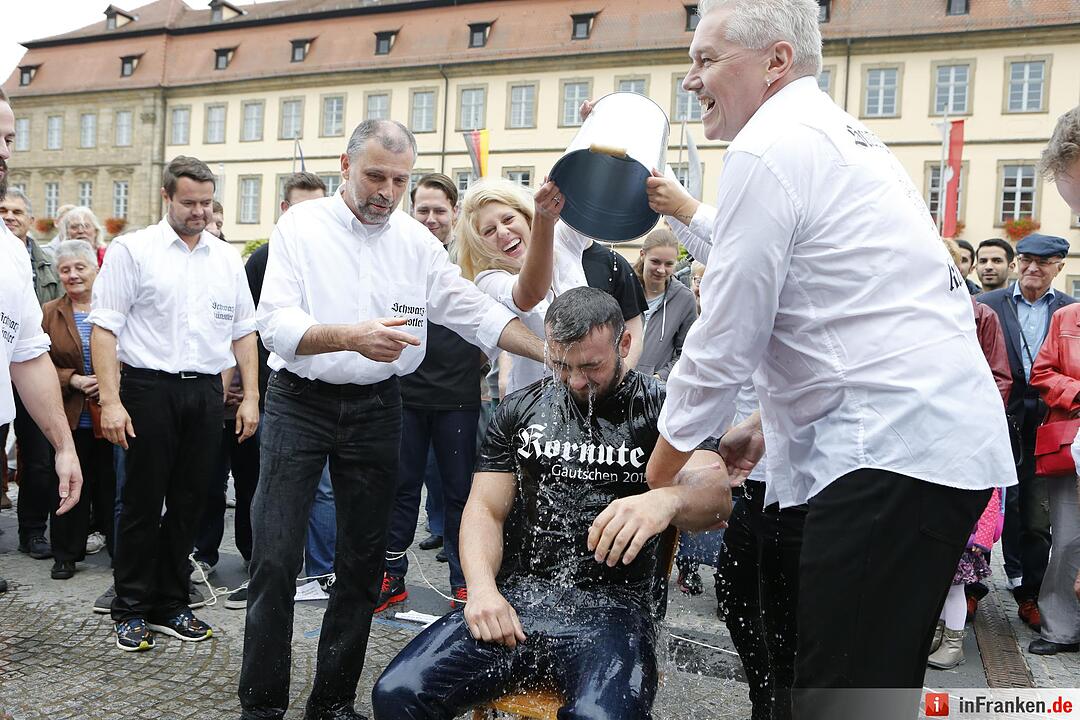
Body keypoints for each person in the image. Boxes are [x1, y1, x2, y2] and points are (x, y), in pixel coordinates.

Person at [646, 4, 1013, 720]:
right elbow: (821, 292)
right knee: (849, 680)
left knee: (841, 694)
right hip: (909, 448)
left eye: (706, 59)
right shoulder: (826, 134)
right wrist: (766, 422)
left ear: (776, 61)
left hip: (894, 451)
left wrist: (656, 481)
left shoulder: (769, 146)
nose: (690, 80)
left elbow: (726, 335)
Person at [239, 119, 546, 720]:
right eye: (375, 175)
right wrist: (348, 337)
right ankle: (262, 705)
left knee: (362, 559)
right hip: (299, 399)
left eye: (398, 180)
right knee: (275, 556)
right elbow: (274, 322)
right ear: (345, 164)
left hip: (378, 408)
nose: (386, 190)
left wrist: (551, 355)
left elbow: (474, 312)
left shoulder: (416, 242)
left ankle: (331, 703)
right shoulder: (300, 226)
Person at [371, 286, 731, 720]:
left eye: (591, 366)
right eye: (562, 364)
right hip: (519, 600)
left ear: (625, 344)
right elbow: (484, 509)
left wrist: (669, 501)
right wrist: (482, 590)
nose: (576, 381)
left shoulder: (664, 408)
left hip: (614, 611)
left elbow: (718, 496)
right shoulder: (521, 407)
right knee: (397, 693)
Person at [89, 155, 259, 652]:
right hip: (147, 388)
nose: (200, 212)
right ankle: (131, 605)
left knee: (192, 499)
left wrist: (249, 396)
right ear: (167, 197)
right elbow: (105, 329)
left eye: (206, 203)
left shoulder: (226, 258)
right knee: (141, 502)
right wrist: (113, 402)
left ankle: (170, 600)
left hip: (206, 392)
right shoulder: (133, 251)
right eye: (189, 202)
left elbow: (243, 332)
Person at [226, 171, 337, 612]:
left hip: (330, 389)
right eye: (302, 207)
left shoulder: (337, 256)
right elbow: (246, 330)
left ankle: (324, 572)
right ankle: (265, 571)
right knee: (267, 485)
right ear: (285, 210)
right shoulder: (262, 259)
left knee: (325, 490)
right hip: (278, 392)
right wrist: (246, 388)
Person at [380, 173, 485, 612]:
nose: (430, 218)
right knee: (400, 490)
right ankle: (391, 577)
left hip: (458, 399)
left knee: (461, 493)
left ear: (454, 213)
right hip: (405, 394)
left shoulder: (473, 261)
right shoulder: (396, 257)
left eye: (439, 210)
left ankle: (466, 583)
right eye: (422, 209)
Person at [0, 87, 84, 595]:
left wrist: (63, 446)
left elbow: (27, 353)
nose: (4, 152)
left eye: (9, 139)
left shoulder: (11, 253)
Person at [978, 232, 1073, 631]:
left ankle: (1029, 593)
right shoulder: (989, 305)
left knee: (1036, 514)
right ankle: (966, 590)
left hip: (1051, 422)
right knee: (988, 508)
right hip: (998, 418)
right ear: (1017, 262)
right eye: (1027, 259)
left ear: (1058, 267)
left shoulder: (1071, 311)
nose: (1034, 268)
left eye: (1044, 262)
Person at [925, 238, 1011, 669]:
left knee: (955, 573)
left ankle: (953, 638)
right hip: (924, 454)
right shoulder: (915, 311)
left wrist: (965, 424)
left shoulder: (982, 315)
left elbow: (998, 380)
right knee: (929, 570)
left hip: (964, 454)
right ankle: (937, 633)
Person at [1022, 105, 1080, 657]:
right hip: (1067, 441)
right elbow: (1043, 371)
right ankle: (1060, 628)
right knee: (1065, 541)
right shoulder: (1069, 319)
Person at [456, 178, 589, 396]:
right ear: (479, 244)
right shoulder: (488, 280)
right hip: (535, 405)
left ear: (526, 216)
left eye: (508, 219)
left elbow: (590, 194)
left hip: (589, 395)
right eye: (489, 231)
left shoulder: (562, 239)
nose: (502, 232)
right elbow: (529, 294)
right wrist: (544, 220)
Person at [39, 240, 118, 580]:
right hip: (70, 415)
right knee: (69, 484)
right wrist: (72, 380)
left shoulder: (113, 308)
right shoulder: (49, 312)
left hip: (112, 414)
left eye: (80, 268)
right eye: (66, 270)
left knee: (113, 487)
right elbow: (35, 362)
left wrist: (111, 379)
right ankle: (66, 555)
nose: (73, 275)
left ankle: (121, 552)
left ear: (95, 270)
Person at [0, 188, 62, 548]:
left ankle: (32, 531)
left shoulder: (48, 264)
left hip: (31, 367)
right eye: (3, 209)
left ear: (30, 221)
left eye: (17, 212)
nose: (9, 216)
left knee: (38, 457)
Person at [632, 227, 696, 379]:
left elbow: (687, 353)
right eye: (655, 261)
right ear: (642, 255)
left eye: (668, 264)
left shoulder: (684, 299)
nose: (661, 270)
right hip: (617, 385)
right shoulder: (625, 289)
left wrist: (660, 376)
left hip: (655, 391)